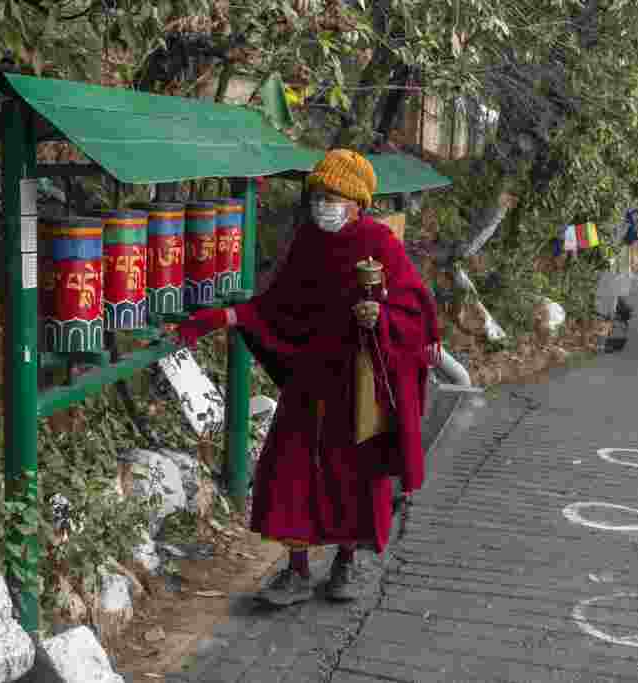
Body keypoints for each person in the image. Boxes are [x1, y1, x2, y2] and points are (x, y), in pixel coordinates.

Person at [176, 150, 440, 606]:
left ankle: (345, 565)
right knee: (289, 470)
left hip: (360, 381)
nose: (323, 204)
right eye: (317, 195)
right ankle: (296, 572)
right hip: (312, 375)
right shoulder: (308, 240)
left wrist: (380, 316)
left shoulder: (381, 242)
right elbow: (278, 303)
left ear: (358, 202)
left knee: (357, 475)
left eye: (332, 196)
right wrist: (230, 315)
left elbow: (415, 308)